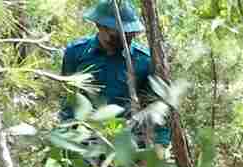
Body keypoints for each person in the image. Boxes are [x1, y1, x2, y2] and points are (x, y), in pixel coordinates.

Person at [60, 0, 170, 149]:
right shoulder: (76, 53)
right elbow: (69, 100)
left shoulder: (143, 61)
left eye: (131, 33)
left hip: (127, 147)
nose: (127, 38)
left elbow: (155, 108)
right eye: (120, 33)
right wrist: (66, 136)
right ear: (100, 26)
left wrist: (159, 146)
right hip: (85, 143)